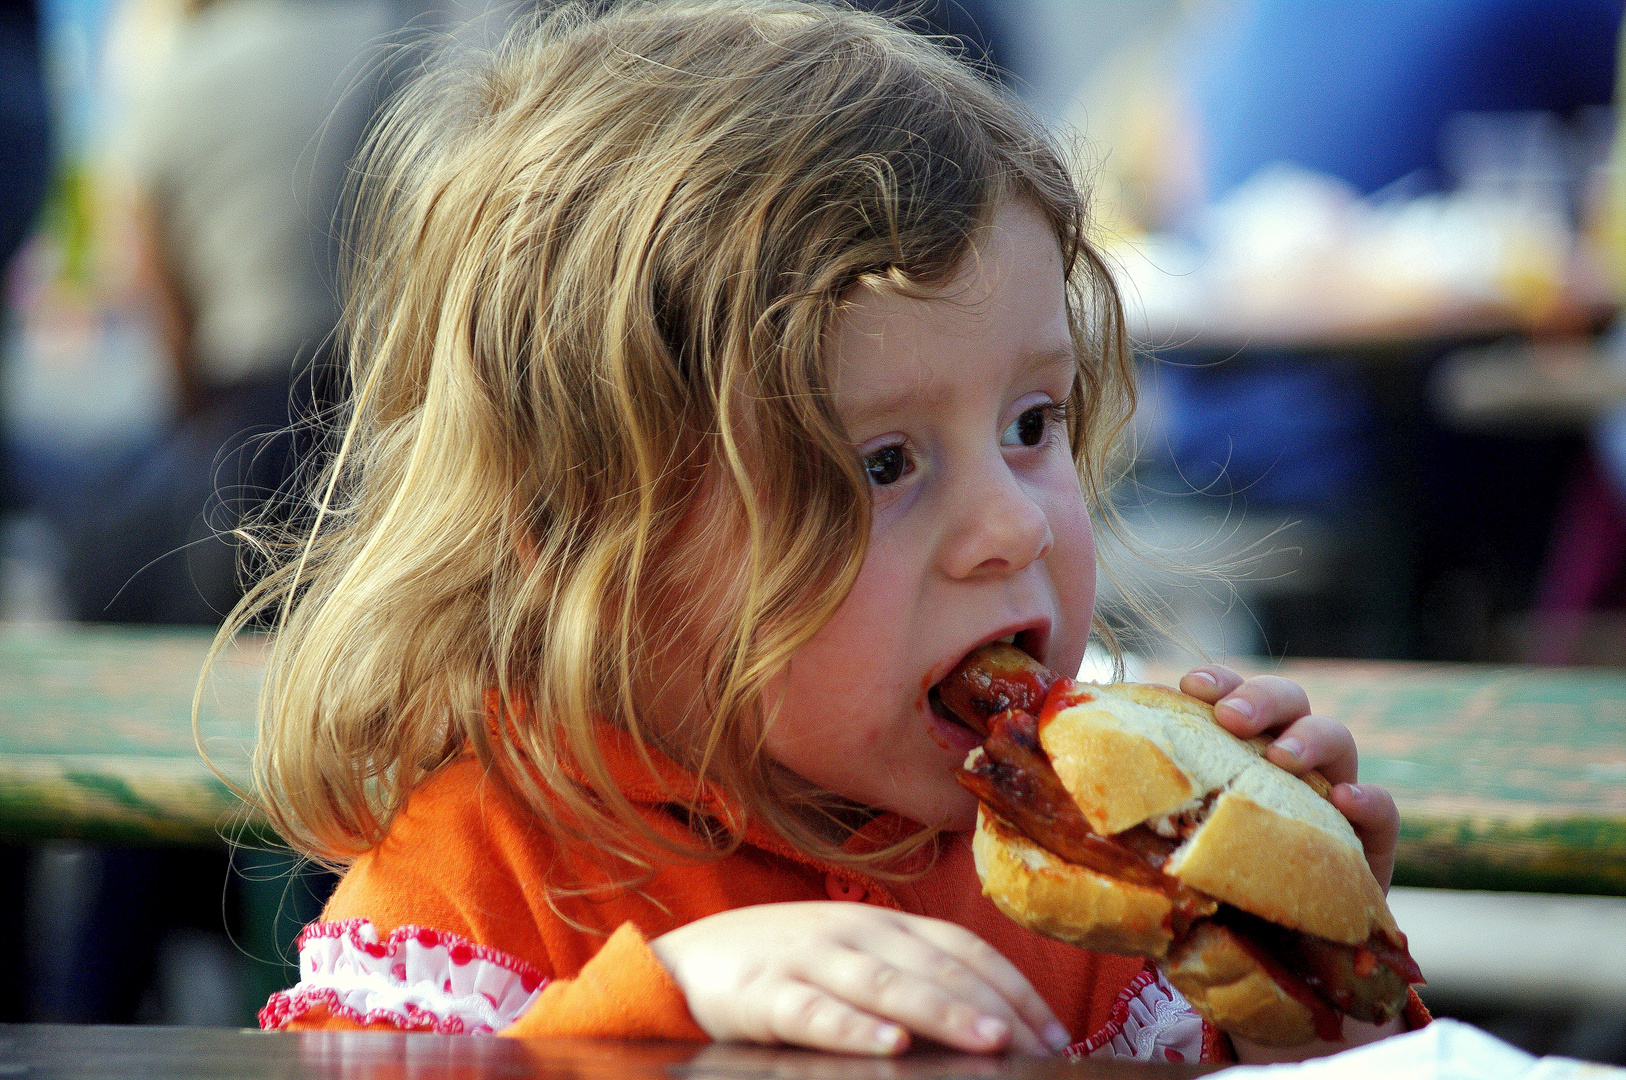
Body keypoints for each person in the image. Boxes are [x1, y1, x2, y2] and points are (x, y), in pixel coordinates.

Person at [238, 1, 1422, 1063]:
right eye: (884, 463)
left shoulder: (1097, 873)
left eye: (1031, 422)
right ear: (588, 541)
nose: (1009, 526)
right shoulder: (481, 884)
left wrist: (1316, 985)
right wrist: (661, 1013)